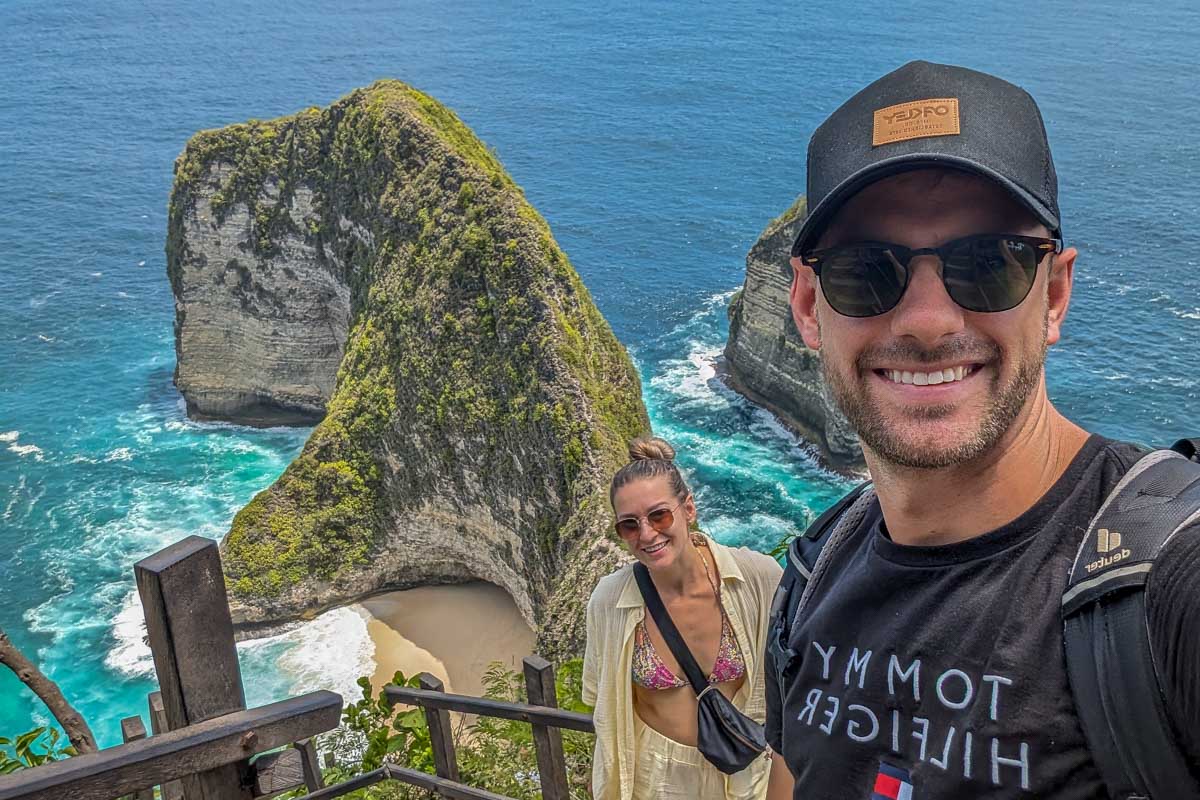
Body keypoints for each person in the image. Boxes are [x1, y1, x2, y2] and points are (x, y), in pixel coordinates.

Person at [764, 61, 1200, 799]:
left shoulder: (1169, 586)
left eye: (988, 265)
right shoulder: (809, 577)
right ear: (807, 307)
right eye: (866, 270)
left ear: (1055, 295)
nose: (930, 320)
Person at [583, 436, 782, 799]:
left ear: (688, 508)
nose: (646, 534)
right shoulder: (608, 601)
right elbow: (602, 700)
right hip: (656, 779)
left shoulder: (758, 578)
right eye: (629, 525)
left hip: (743, 774)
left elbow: (793, 686)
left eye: (659, 515)